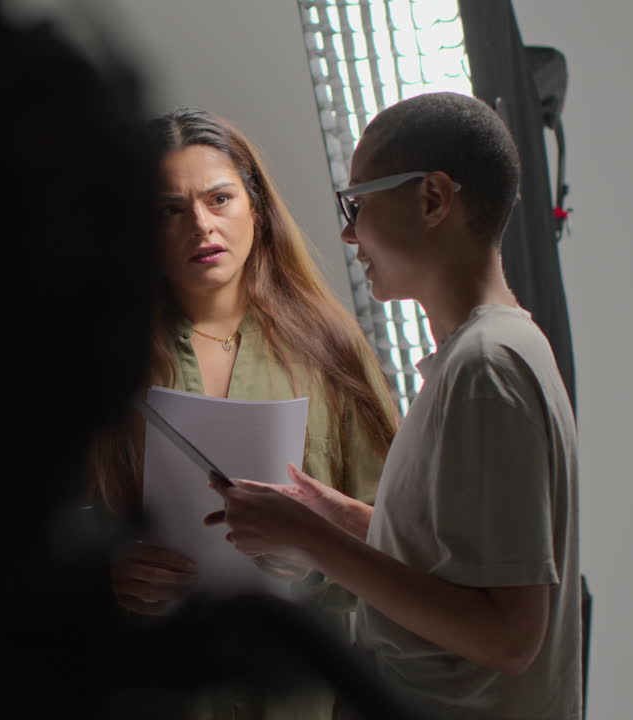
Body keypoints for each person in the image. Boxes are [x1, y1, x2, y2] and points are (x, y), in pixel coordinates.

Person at [212, 92, 581, 719]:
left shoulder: (487, 367)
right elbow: (454, 569)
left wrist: (311, 539)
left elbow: (509, 637)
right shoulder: (480, 356)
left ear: (433, 199)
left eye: (357, 204)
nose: (348, 232)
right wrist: (338, 519)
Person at [95, 108, 401, 719]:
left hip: (294, 697)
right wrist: (109, 576)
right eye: (169, 209)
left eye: (219, 199)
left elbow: (396, 540)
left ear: (255, 207)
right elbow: (35, 538)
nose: (201, 226)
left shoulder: (330, 349)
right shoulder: (103, 363)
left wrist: (313, 558)